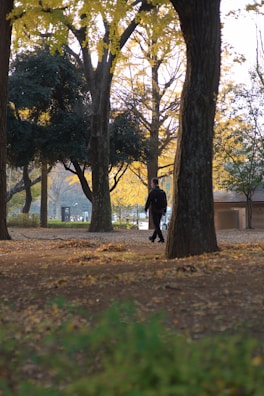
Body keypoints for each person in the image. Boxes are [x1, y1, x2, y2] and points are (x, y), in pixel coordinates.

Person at [145, 177, 167, 243]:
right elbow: (165, 202)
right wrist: (164, 210)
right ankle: (153, 237)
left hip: (154, 210)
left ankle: (162, 238)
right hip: (160, 210)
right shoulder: (162, 192)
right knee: (157, 224)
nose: (151, 184)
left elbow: (148, 201)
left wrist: (146, 208)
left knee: (156, 225)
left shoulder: (152, 192)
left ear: (153, 183)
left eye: (151, 183)